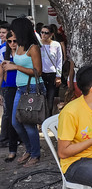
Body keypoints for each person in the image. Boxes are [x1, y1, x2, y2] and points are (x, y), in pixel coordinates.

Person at [3, 17, 45, 168]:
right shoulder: (18, 45)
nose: (11, 32)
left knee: (28, 125)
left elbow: (38, 72)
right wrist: (11, 63)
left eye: (13, 29)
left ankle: (35, 154)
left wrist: (15, 67)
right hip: (21, 89)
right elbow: (21, 63)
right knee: (15, 122)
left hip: (32, 88)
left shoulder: (33, 47)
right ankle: (29, 149)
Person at [1, 31, 19, 162]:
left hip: (23, 87)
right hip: (10, 88)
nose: (12, 44)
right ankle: (12, 150)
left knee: (24, 118)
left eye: (15, 41)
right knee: (11, 120)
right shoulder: (4, 53)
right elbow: (1, 74)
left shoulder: (22, 53)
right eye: (9, 41)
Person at [40, 25, 63, 116]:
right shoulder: (37, 44)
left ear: (51, 34)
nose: (44, 35)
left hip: (52, 74)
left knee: (51, 98)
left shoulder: (56, 45)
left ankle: (48, 118)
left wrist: (58, 76)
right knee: (41, 97)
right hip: (40, 73)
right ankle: (40, 118)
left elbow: (59, 61)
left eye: (46, 33)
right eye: (42, 32)